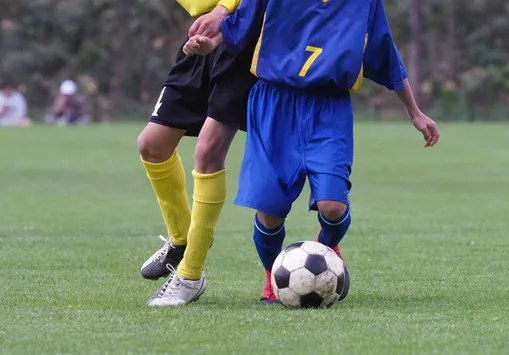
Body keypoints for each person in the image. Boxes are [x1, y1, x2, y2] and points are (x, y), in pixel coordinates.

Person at [180, 0, 440, 305]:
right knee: (270, 210)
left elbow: (385, 49)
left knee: (332, 205)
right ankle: (273, 277)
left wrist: (414, 111)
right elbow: (240, 24)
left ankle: (325, 247)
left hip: (329, 108)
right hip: (273, 103)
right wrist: (210, 42)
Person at [141, 0, 258, 307]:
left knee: (208, 151)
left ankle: (190, 275)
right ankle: (181, 240)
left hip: (244, 36)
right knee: (152, 145)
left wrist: (223, 8)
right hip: (202, 37)